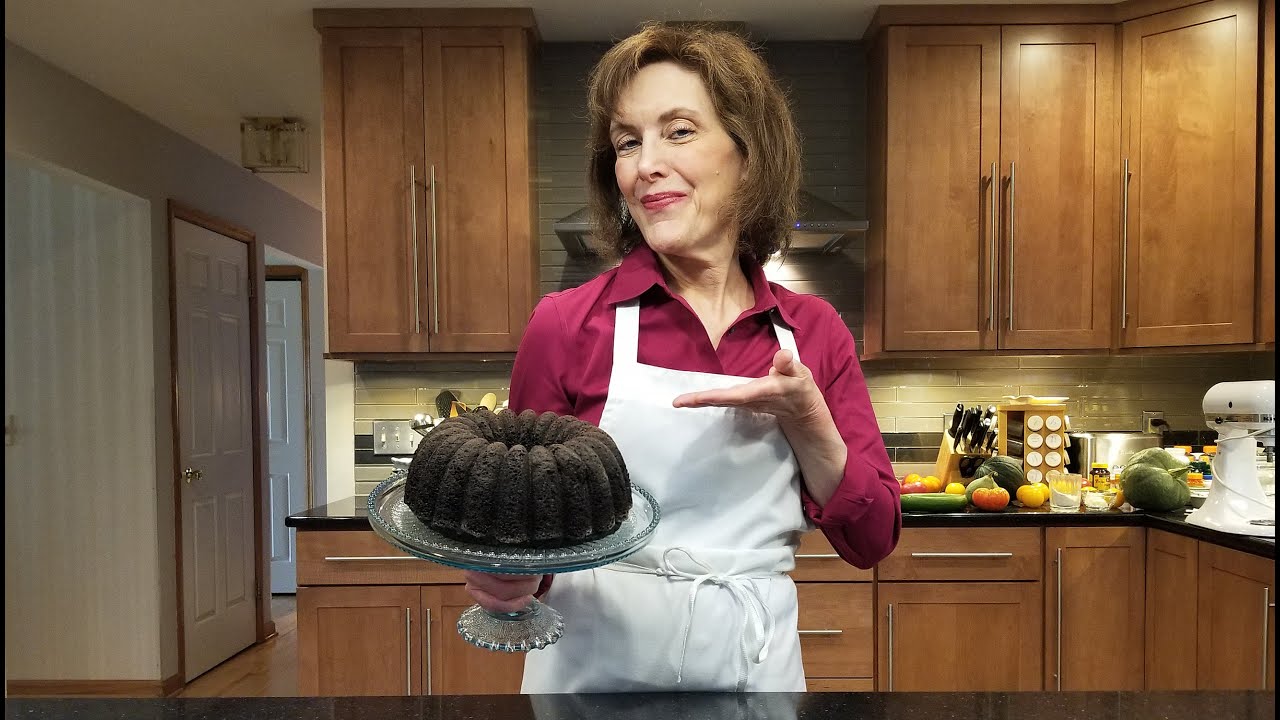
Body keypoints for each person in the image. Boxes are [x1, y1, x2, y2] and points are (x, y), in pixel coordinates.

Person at [463, 21, 900, 693]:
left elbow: (871, 542)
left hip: (756, 681)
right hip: (590, 682)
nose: (646, 165)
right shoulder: (567, 324)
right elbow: (526, 531)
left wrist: (811, 426)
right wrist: (508, 574)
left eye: (680, 131)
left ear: (748, 154)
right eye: (627, 142)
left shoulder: (813, 333)